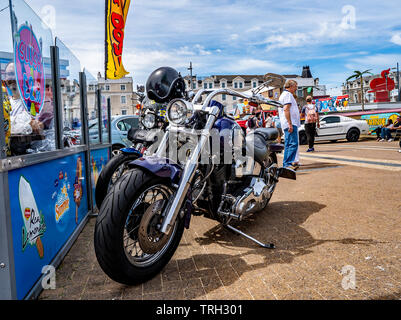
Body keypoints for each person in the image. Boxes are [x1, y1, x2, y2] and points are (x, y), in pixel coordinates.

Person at [278, 80, 300, 169]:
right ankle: (288, 164)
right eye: (295, 86)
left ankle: (286, 164)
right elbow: (286, 109)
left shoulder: (284, 94)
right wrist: (290, 124)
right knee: (293, 143)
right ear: (291, 86)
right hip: (290, 123)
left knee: (288, 144)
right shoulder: (288, 95)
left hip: (287, 123)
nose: (296, 88)